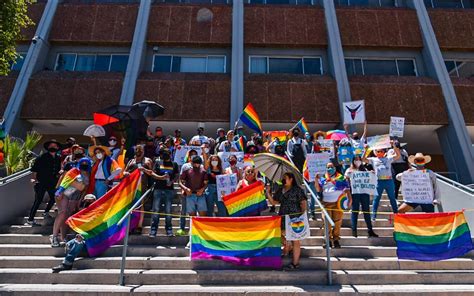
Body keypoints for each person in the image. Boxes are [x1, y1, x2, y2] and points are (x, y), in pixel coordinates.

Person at [266, 172, 307, 270]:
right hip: (283, 217)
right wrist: (268, 192)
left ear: (291, 179)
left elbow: (303, 203)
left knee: (296, 240)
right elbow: (274, 202)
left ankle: (295, 263)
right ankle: (287, 245)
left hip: (295, 217)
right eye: (283, 178)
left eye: (285, 178)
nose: (284, 180)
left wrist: (302, 216)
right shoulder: (281, 190)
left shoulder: (297, 190)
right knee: (278, 233)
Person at [51, 158, 91, 247]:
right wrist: (59, 191)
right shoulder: (74, 170)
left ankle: (63, 237)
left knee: (67, 216)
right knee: (62, 213)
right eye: (82, 163)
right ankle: (54, 237)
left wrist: (80, 199)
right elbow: (65, 181)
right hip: (64, 194)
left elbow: (83, 189)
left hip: (74, 196)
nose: (84, 164)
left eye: (86, 163)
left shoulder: (88, 174)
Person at [315, 162, 352, 249]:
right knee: (326, 222)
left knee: (337, 222)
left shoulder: (341, 177)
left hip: (337, 203)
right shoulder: (323, 178)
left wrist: (350, 199)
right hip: (326, 203)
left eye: (331, 167)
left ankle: (336, 239)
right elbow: (318, 189)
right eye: (328, 167)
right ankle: (327, 240)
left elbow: (347, 190)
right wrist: (316, 180)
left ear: (335, 168)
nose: (329, 169)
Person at [26, 139, 62, 226]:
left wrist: (59, 174)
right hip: (41, 182)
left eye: (54, 146)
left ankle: (45, 212)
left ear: (57, 148)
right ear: (48, 147)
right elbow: (35, 169)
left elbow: (57, 170)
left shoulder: (58, 158)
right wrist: (34, 179)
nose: (53, 147)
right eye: (51, 146)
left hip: (52, 182)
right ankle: (30, 220)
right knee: (38, 200)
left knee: (54, 198)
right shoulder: (42, 157)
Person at [144, 148, 179, 237]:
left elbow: (176, 175)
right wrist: (161, 177)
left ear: (170, 154)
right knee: (156, 210)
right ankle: (153, 230)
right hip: (158, 189)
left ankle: (169, 229)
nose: (165, 154)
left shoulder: (174, 164)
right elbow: (153, 173)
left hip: (169, 189)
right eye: (164, 153)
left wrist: (172, 181)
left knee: (168, 210)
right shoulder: (158, 163)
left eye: (167, 153)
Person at [344, 156, 378, 238]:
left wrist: (372, 173)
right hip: (355, 193)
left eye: (359, 159)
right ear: (353, 161)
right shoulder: (349, 170)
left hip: (364, 193)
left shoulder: (364, 170)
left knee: (366, 211)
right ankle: (354, 230)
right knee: (355, 211)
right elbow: (346, 178)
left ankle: (370, 230)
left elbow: (370, 179)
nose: (358, 161)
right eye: (356, 160)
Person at [365, 145, 400, 221]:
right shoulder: (373, 159)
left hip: (389, 181)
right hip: (379, 181)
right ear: (375, 153)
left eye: (381, 151)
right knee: (376, 199)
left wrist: (394, 146)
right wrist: (366, 149)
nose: (380, 152)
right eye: (378, 151)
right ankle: (373, 216)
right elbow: (363, 159)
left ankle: (397, 215)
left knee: (392, 198)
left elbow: (398, 155)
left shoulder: (388, 158)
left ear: (384, 152)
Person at [176, 149, 199, 236]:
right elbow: (181, 179)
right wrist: (183, 189)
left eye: (194, 154)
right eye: (191, 155)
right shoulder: (185, 166)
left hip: (195, 193)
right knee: (184, 210)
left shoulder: (199, 165)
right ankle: (181, 228)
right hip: (186, 191)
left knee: (194, 211)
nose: (193, 156)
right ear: (189, 157)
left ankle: (193, 229)